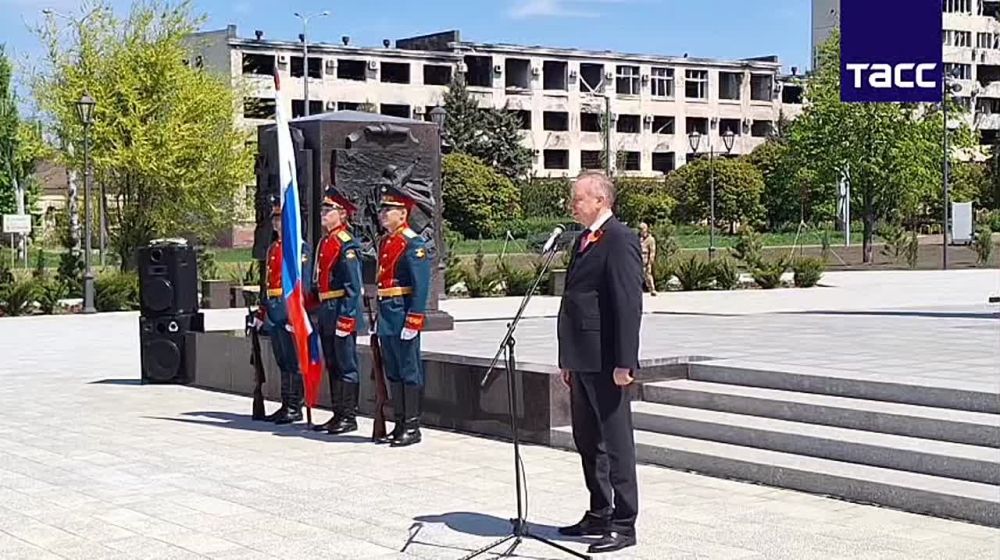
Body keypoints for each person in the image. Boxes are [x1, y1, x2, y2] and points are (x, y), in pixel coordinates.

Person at [556, 171, 642, 554]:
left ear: (600, 201)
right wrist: (567, 359)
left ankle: (624, 523)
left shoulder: (620, 239)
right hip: (581, 357)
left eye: (578, 198)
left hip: (608, 359)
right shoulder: (583, 240)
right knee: (587, 440)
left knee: (616, 441)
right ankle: (599, 510)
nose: (573, 205)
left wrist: (626, 361)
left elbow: (627, 303)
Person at [376, 183, 431, 447]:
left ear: (403, 213)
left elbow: (421, 286)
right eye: (383, 209)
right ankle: (398, 423)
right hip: (387, 313)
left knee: (409, 370)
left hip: (402, 313)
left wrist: (414, 319)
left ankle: (412, 426)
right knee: (394, 371)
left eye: (390, 209)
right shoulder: (386, 242)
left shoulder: (412, 243)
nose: (383, 214)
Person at [310, 187, 366, 435]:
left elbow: (353, 288)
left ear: (342, 214)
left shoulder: (347, 245)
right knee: (332, 363)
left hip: (340, 309)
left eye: (328, 209)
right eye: (322, 209)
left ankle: (349, 415)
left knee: (346, 364)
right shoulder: (325, 242)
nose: (323, 213)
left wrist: (347, 319)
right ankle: (337, 413)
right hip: (326, 309)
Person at [257, 195, 313, 425]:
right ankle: (286, 403)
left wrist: (297, 311)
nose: (276, 222)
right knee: (282, 358)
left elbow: (305, 283)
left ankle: (295, 405)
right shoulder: (274, 248)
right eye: (274, 218)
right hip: (274, 308)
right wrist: (262, 311)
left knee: (293, 358)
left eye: (281, 218)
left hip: (289, 309)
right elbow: (268, 282)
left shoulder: (299, 247)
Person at [638, 222, 657, 296]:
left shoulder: (650, 239)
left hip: (646, 259)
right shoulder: (638, 238)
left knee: (648, 275)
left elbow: (652, 251)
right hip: (638, 259)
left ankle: (652, 289)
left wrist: (650, 262)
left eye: (642, 229)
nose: (641, 230)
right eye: (640, 229)